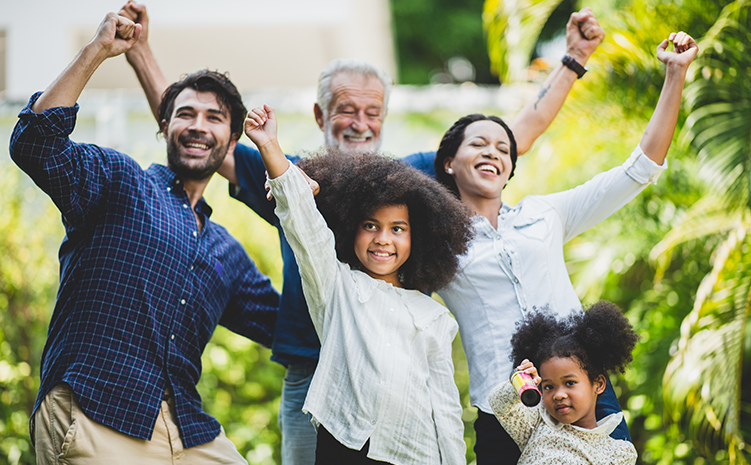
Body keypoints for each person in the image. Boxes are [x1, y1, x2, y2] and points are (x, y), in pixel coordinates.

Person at [118, 2, 605, 461]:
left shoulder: (408, 181)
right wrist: (140, 53)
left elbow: (512, 135)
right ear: (320, 115)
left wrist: (573, 60)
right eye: (347, 109)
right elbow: (204, 136)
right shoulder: (293, 176)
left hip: (397, 370)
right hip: (311, 367)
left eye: (373, 113)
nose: (360, 123)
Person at [9, 12, 279, 464]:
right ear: (164, 127)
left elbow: (290, 325)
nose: (198, 125)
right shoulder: (118, 182)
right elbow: (36, 144)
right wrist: (97, 50)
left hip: (189, 431)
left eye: (214, 118)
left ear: (232, 141)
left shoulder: (226, 253)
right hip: (96, 410)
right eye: (185, 114)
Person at [433, 32, 698, 463]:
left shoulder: (545, 215)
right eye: (477, 144)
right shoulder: (434, 242)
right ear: (448, 162)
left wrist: (675, 73)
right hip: (505, 406)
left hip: (583, 391)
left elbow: (640, 169)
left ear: (510, 167)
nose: (492, 153)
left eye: (503, 148)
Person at [243, 103, 474, 463]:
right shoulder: (336, 287)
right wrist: (269, 147)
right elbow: (305, 229)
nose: (383, 238)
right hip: (345, 445)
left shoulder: (434, 317)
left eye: (398, 229)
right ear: (352, 229)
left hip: (414, 452)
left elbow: (445, 408)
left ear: (419, 239)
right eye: (371, 225)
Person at [489, 301, 640, 464]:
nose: (558, 395)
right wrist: (521, 380)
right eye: (548, 387)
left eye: (569, 383)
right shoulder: (537, 423)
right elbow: (498, 403)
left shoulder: (618, 453)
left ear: (598, 384)